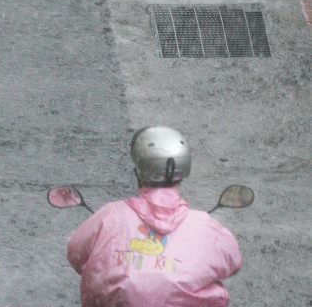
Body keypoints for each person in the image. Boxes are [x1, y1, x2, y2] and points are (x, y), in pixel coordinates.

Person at [66, 126, 242, 307]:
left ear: (138, 171)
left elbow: (76, 254)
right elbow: (234, 262)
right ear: (183, 172)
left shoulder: (110, 215)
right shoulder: (205, 226)